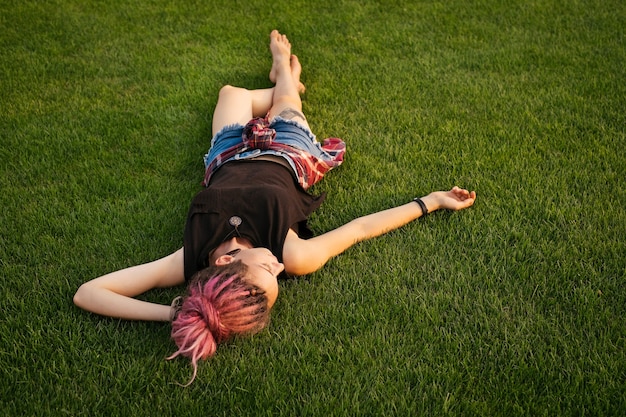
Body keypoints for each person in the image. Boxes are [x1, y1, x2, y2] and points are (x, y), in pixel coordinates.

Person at [73, 30, 476, 383]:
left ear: (227, 263)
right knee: (283, 95)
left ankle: (283, 87)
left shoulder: (189, 257)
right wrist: (432, 201)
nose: (280, 268)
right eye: (276, 277)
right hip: (290, 153)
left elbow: (89, 292)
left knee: (230, 93)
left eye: (267, 270)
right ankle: (284, 76)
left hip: (228, 153)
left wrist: (174, 311)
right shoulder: (295, 255)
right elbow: (359, 229)